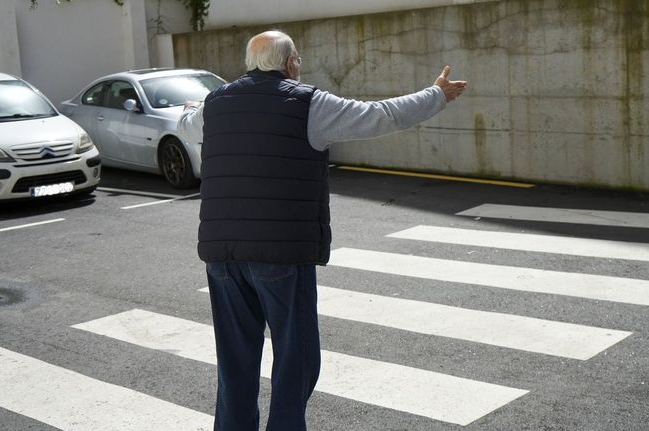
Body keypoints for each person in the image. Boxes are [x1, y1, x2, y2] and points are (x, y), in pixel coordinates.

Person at [178, 30, 467, 431]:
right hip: (282, 256)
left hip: (222, 257)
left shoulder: (215, 103)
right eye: (298, 60)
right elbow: (379, 115)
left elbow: (186, 125)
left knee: (234, 363)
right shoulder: (307, 104)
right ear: (290, 63)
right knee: (295, 360)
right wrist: (435, 95)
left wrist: (196, 106)